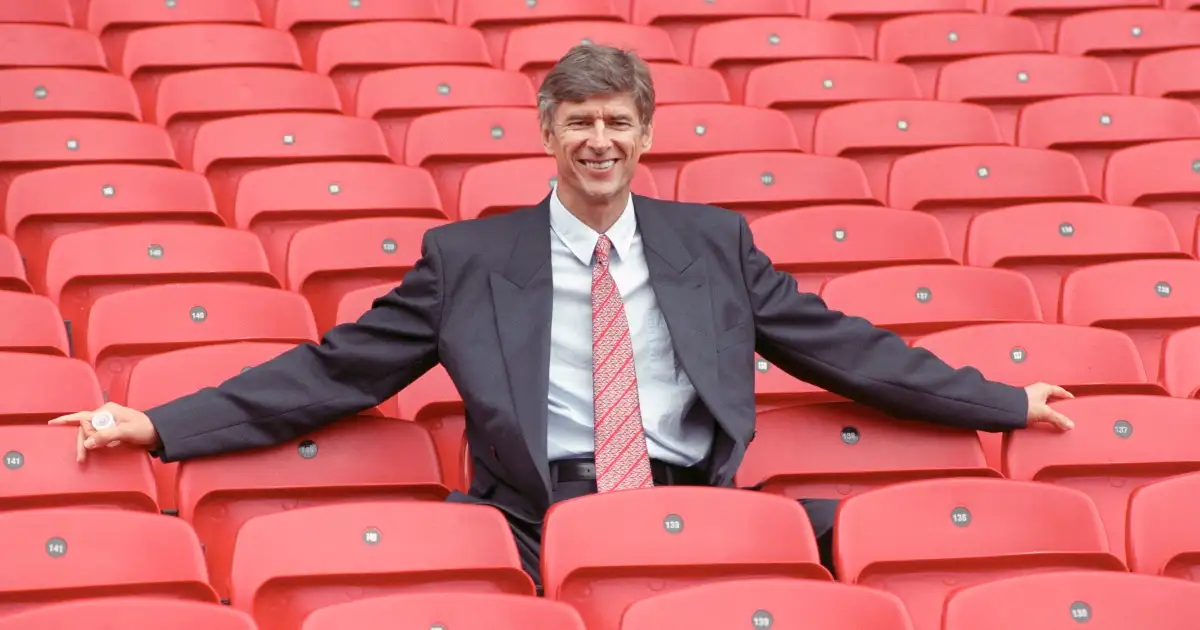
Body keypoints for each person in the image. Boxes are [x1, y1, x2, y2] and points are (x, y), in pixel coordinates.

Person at [51, 44, 1075, 587]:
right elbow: (340, 369)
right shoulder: (469, 258)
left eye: (616, 123)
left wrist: (1001, 404)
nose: (598, 140)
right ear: (548, 133)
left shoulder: (710, 242)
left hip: (695, 501)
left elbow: (838, 346)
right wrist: (159, 424)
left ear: (644, 135)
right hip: (540, 521)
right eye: (579, 122)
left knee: (895, 544)